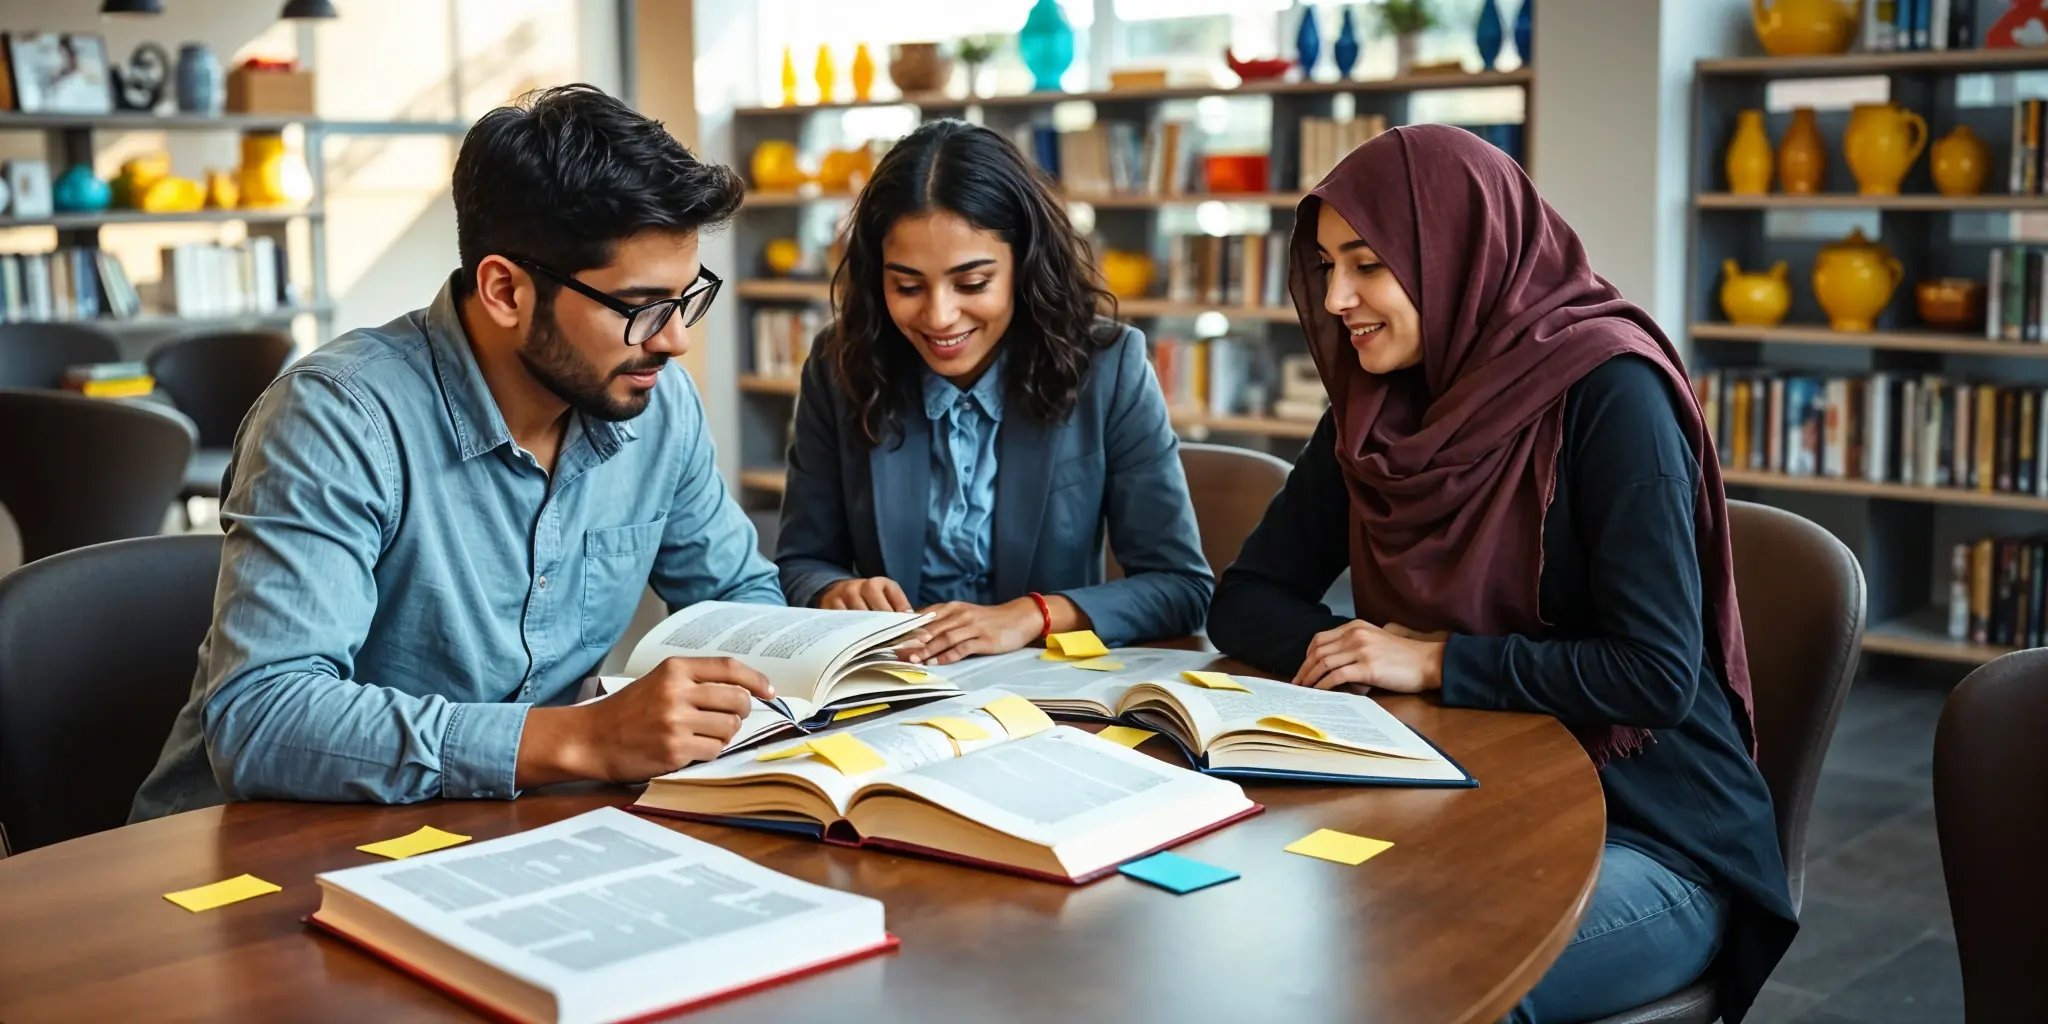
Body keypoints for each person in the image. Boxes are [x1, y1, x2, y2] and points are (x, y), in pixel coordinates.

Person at [1206, 125, 1797, 1024]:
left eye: (1366, 265)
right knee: (1268, 940)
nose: (1337, 299)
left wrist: (1436, 661)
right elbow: (1245, 600)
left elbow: (1654, 675)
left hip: (1654, 838)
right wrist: (1357, 656)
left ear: (1457, 250)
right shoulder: (1375, 414)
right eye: (1325, 267)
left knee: (1429, 977)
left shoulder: (1612, 395)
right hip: (1457, 800)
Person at [132, 85, 784, 820]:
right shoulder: (337, 418)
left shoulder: (657, 404)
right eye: (639, 308)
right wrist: (579, 739)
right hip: (249, 858)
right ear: (505, 289)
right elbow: (266, 720)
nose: (675, 339)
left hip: (491, 831)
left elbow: (741, 603)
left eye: (686, 296)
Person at [775, 119, 1210, 664]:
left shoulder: (1109, 367)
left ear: (1023, 265)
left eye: (972, 283)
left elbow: (1181, 588)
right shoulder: (839, 365)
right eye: (907, 286)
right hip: (896, 687)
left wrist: (1032, 616)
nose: (939, 316)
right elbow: (799, 563)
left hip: (1050, 700)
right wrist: (833, 591)